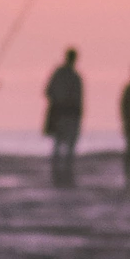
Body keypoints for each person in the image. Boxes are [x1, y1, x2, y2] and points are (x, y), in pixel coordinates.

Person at [43, 49, 83, 187]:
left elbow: (48, 92)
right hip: (65, 114)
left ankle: (61, 173)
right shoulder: (72, 76)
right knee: (63, 144)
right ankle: (61, 173)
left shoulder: (67, 75)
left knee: (61, 144)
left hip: (65, 113)